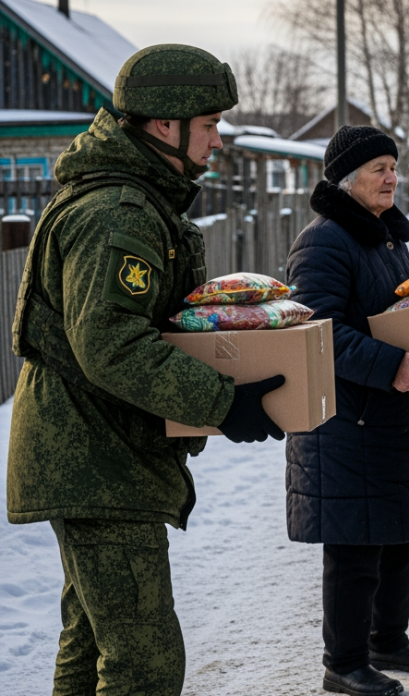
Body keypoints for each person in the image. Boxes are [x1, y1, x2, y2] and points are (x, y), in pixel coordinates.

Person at [5, 44, 285, 695]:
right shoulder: (117, 214)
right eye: (209, 125)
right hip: (93, 458)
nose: (218, 141)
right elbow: (112, 344)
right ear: (165, 125)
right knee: (144, 664)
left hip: (96, 454)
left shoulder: (132, 201)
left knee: (91, 646)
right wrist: (223, 402)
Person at [284, 125, 409, 696]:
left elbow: (403, 319)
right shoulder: (323, 242)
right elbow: (318, 332)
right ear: (346, 179)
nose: (391, 178)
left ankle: (387, 640)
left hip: (393, 409)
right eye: (379, 169)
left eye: (393, 167)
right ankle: (345, 662)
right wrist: (390, 368)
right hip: (346, 417)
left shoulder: (386, 239)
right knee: (356, 544)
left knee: (404, 533)